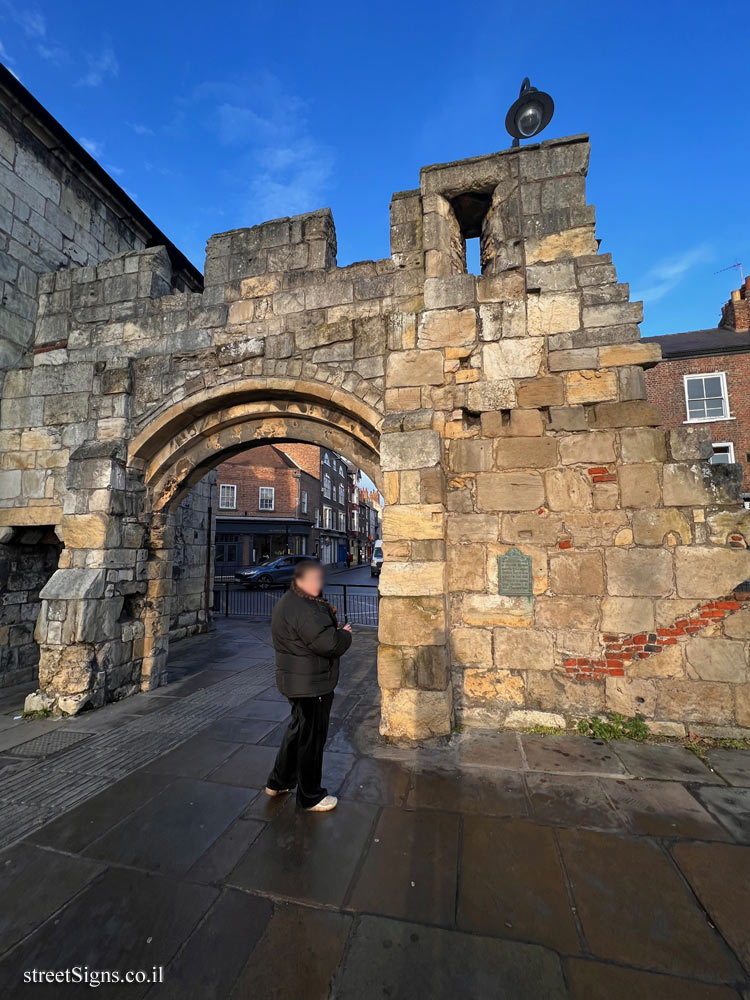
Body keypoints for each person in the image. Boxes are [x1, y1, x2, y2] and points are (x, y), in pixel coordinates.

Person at [265, 559, 352, 812]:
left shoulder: (289, 602)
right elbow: (329, 644)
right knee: (311, 739)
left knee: (297, 731)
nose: (318, 584)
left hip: (295, 680)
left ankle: (278, 781)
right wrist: (344, 633)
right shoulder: (306, 609)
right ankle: (310, 795)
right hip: (311, 683)